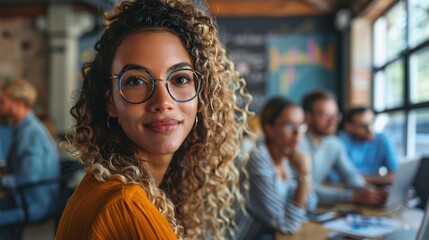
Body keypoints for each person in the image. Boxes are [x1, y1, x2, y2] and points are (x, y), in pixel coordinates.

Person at [55, 0, 251, 239]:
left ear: (203, 95)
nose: (162, 101)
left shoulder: (108, 184)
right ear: (110, 102)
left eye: (179, 79)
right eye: (136, 81)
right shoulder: (126, 205)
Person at [236, 97, 317, 239]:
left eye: (301, 125)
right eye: (289, 125)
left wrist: (303, 175)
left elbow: (310, 205)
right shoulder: (258, 159)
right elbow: (286, 225)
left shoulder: (289, 156)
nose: (298, 133)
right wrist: (305, 173)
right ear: (269, 129)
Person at [300, 89, 385, 206]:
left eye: (335, 115)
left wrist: (364, 190)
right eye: (325, 116)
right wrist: (352, 196)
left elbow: (350, 174)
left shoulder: (335, 143)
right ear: (308, 116)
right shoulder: (295, 144)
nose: (333, 121)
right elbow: (302, 188)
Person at [0, 79, 60, 235]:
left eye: (2, 101)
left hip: (33, 204)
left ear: (18, 104)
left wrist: (2, 180)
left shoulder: (31, 133)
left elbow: (28, 177)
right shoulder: (24, 129)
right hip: (25, 198)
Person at [339, 107, 398, 185]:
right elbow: (337, 178)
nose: (370, 130)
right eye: (363, 126)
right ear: (348, 127)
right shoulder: (339, 141)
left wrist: (357, 177)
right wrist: (379, 178)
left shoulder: (382, 139)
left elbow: (396, 174)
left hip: (375, 187)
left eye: (372, 123)